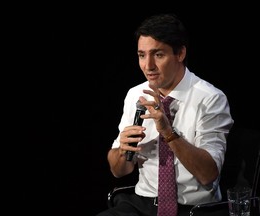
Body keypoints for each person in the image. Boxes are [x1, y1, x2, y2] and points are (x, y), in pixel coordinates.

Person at [96, 13, 234, 216]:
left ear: (180, 54)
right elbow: (119, 171)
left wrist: (168, 133)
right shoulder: (135, 94)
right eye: (142, 55)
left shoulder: (210, 98)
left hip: (193, 209)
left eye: (158, 54)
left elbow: (208, 175)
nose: (148, 66)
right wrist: (122, 152)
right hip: (143, 204)